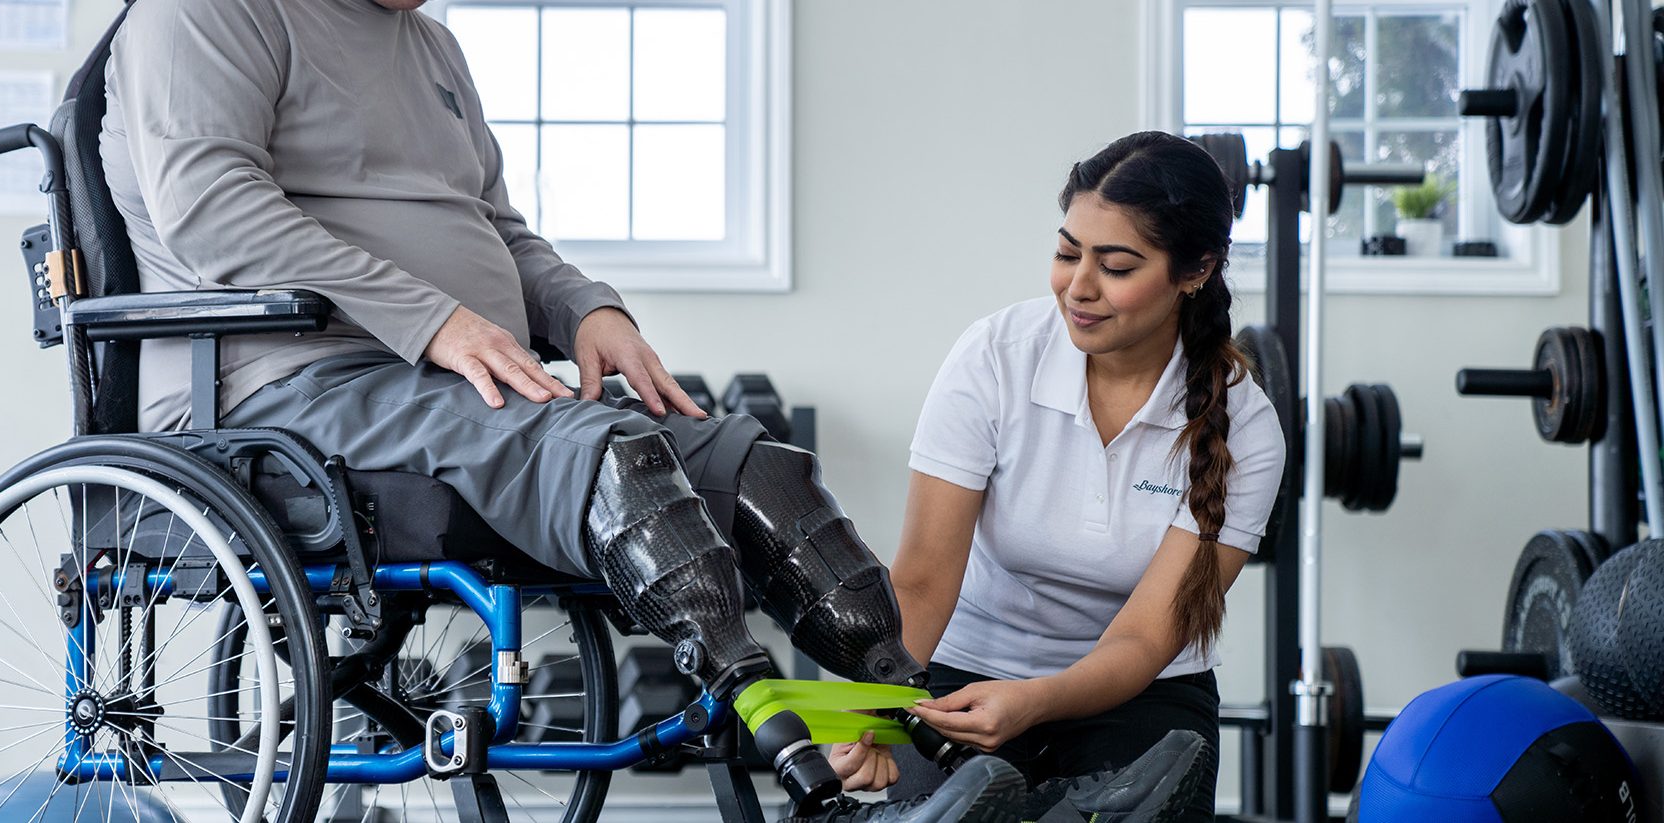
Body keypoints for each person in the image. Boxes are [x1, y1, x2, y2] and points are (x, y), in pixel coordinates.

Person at [94, 0, 1017, 817]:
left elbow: (494, 228)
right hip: (287, 387)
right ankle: (789, 756)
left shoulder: (428, 46)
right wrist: (434, 319)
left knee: (753, 467)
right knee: (612, 457)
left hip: (452, 380)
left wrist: (587, 308)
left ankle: (930, 733)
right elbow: (212, 211)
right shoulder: (202, 13)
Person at [827, 132, 1288, 822]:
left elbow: (1143, 639)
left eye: (1117, 265)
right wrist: (870, 707)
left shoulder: (1245, 427)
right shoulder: (994, 358)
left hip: (1144, 692)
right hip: (965, 673)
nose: (1079, 287)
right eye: (1067, 251)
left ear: (1196, 270)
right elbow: (921, 579)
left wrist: (1036, 699)